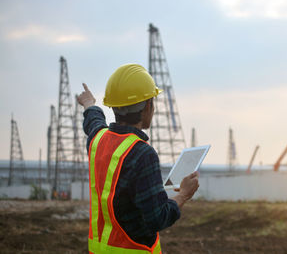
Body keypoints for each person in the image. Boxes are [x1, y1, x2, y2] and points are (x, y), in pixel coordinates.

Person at [77, 64, 199, 254]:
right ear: (148, 106)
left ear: (114, 107)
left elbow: (93, 122)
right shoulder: (142, 153)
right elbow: (157, 218)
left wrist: (89, 104)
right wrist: (183, 194)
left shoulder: (97, 140)